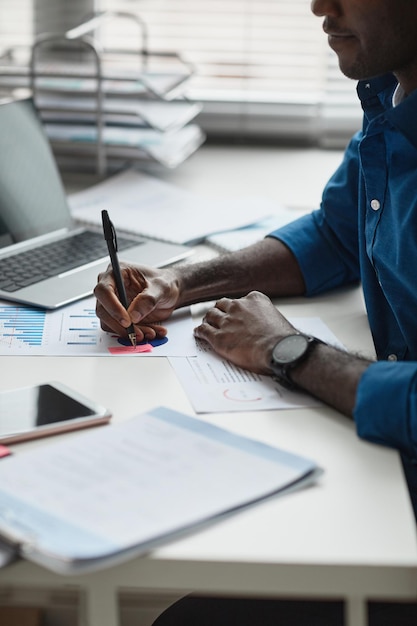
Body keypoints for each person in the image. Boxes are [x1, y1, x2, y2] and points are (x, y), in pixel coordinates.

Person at [94, 0, 417, 622]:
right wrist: (178, 283)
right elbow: (336, 235)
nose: (320, 5)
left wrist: (287, 350)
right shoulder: (395, 103)